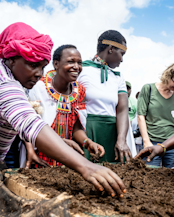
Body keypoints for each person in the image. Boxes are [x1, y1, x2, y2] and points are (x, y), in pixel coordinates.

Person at [0, 22, 126, 197]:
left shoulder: (20, 79)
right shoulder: (6, 84)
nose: (38, 73)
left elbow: (74, 125)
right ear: (12, 59)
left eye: (42, 67)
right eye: (32, 65)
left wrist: (76, 141)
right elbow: (29, 122)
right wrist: (86, 166)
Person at [27, 44, 104, 167]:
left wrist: (87, 142)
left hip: (66, 157)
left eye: (79, 63)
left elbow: (76, 128)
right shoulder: (38, 87)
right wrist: (30, 150)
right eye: (70, 61)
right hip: (38, 155)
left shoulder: (80, 92)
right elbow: (27, 125)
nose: (76, 67)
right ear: (56, 64)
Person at [77, 30, 136, 164]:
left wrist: (121, 139)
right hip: (87, 130)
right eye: (122, 54)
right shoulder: (82, 70)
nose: (122, 59)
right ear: (111, 49)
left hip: (113, 133)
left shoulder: (118, 77)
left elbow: (122, 110)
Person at [137, 63, 174, 168]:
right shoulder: (148, 89)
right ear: (169, 75)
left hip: (171, 144)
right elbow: (141, 116)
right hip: (152, 141)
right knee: (149, 174)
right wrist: (146, 141)